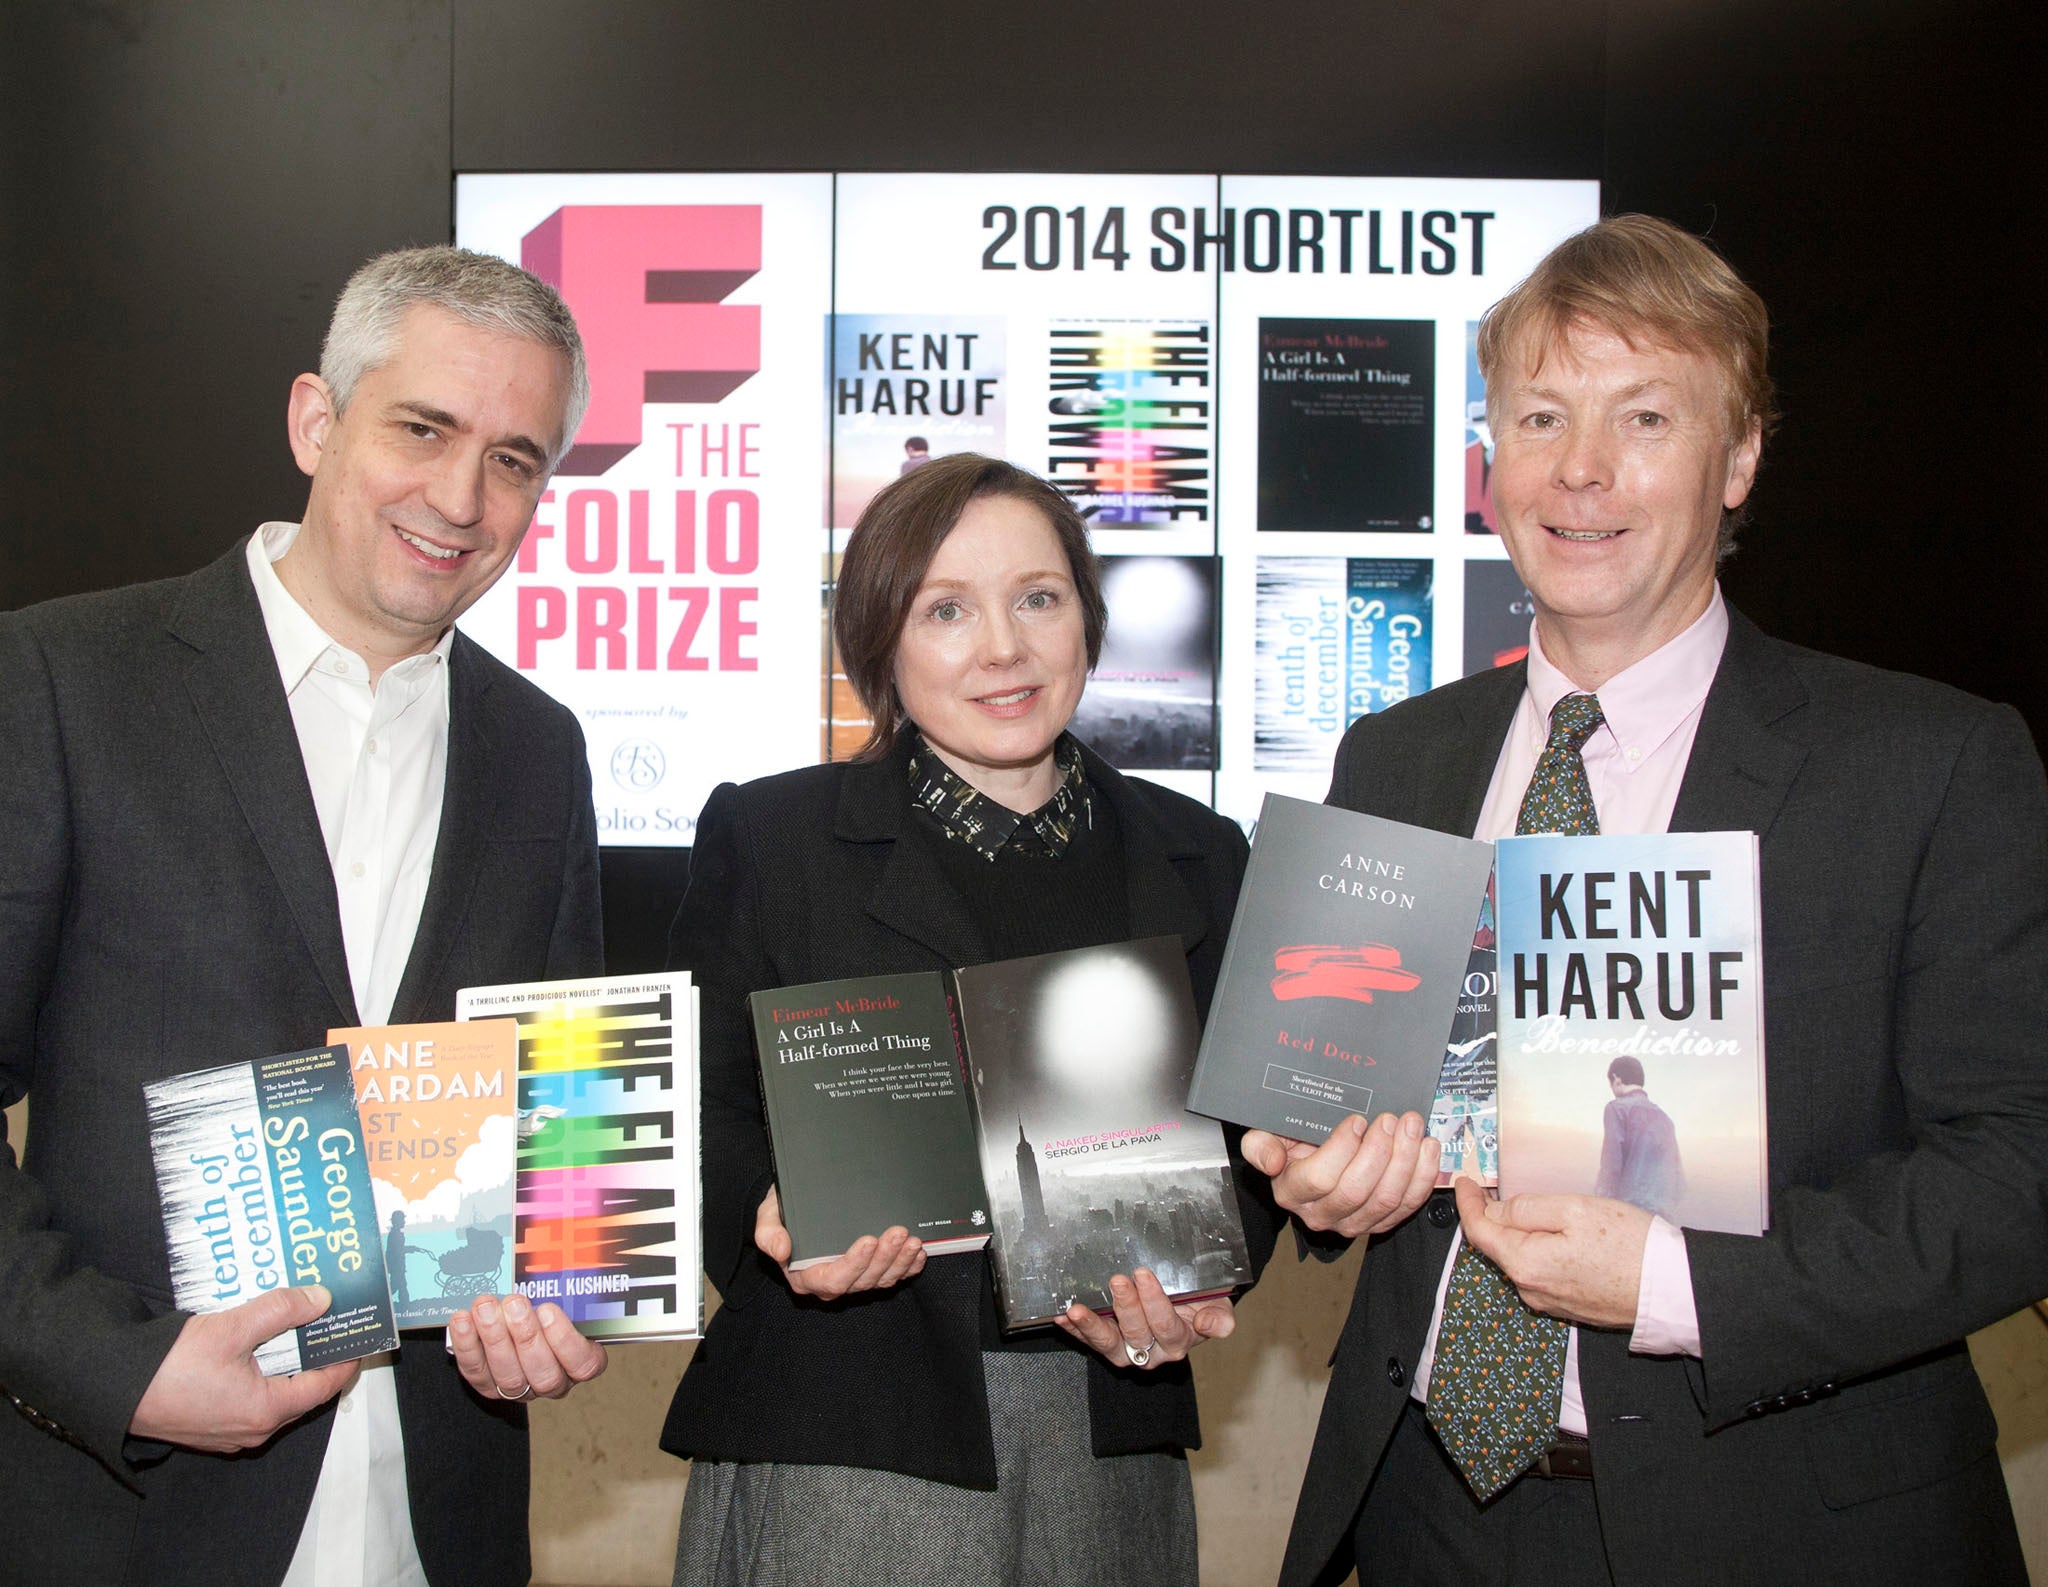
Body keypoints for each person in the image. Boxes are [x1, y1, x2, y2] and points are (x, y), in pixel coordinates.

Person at [1245, 215, 2047, 1585]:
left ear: (1739, 461)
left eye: (1647, 415)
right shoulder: (1397, 753)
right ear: (1492, 453)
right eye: (1543, 414)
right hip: (1428, 1508)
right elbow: (1336, 1105)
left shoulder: (1932, 762)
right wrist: (1323, 1173)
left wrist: (1675, 1281)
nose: (1583, 470)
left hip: (1785, 1522)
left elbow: (2020, 1169)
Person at [0, 246, 610, 1587]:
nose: (461, 496)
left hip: (436, 1523)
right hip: (130, 1510)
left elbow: (560, 1140)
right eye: (423, 428)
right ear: (314, 420)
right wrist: (119, 1363)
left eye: (516, 459)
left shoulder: (539, 750)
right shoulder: (60, 680)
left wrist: (562, 1305)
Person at [663, 452, 1278, 1585]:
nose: (1003, 648)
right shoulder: (774, 837)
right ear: (880, 643)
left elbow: (1249, 1141)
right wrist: (766, 1214)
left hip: (1107, 1414)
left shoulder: (1199, 851)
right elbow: (701, 1107)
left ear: (1086, 624)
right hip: (848, 1417)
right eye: (945, 609)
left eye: (1038, 599)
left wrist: (1198, 1280)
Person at [1593, 1055, 1683, 1218]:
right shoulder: (1665, 1118)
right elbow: (1676, 1174)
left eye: (1611, 1084)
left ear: (1616, 1079)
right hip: (1661, 1214)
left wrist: (1600, 1206)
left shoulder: (1617, 1109)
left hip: (1628, 1211)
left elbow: (1611, 1166)